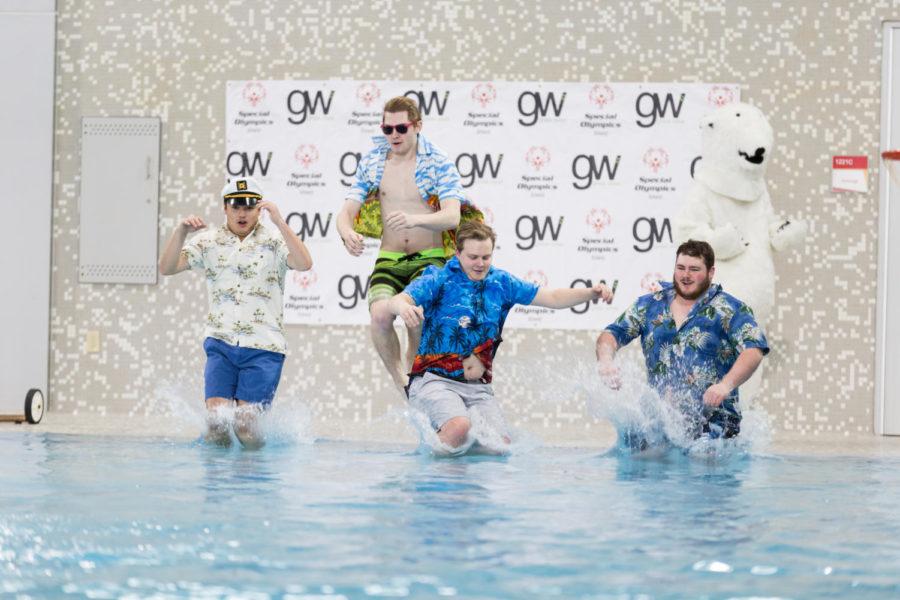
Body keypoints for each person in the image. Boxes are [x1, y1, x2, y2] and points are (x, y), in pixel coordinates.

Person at [388, 222, 615, 455]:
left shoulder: (501, 283)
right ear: (458, 253)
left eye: (486, 257)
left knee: (498, 446)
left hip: (478, 387)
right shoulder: (439, 278)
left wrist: (590, 293)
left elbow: (552, 297)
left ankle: (465, 484)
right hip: (433, 380)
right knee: (459, 427)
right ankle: (430, 481)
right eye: (473, 257)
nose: (480, 263)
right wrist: (403, 308)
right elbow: (397, 300)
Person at [158, 177, 313, 448]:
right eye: (236, 206)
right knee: (217, 425)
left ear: (259, 209)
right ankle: (219, 487)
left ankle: (251, 485)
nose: (242, 213)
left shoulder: (275, 241)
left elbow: (304, 263)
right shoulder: (209, 241)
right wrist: (181, 231)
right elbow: (167, 268)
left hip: (264, 348)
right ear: (225, 208)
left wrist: (280, 222)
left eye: (250, 206)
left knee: (246, 429)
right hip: (221, 344)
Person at [336, 95, 473, 394]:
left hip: (430, 256)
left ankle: (416, 371)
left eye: (401, 128)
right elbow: (346, 210)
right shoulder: (373, 161)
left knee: (416, 315)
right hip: (391, 256)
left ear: (417, 126)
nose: (394, 135)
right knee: (380, 315)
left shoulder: (438, 162)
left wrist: (415, 220)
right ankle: (401, 381)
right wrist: (346, 231)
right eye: (387, 129)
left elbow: (451, 216)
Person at [596, 239, 768, 446]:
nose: (686, 275)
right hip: (662, 423)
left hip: (714, 427)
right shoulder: (650, 305)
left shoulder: (730, 309)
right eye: (681, 268)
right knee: (638, 456)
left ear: (711, 272)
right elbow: (611, 335)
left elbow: (754, 350)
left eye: (694, 269)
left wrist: (725, 385)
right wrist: (606, 362)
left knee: (702, 461)